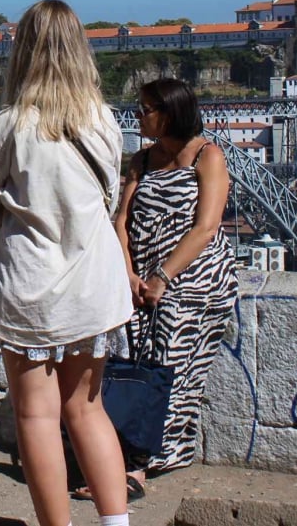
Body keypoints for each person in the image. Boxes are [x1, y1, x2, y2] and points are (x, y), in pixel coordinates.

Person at [0, 0, 134, 526]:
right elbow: (108, 201)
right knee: (88, 409)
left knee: (36, 415)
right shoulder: (104, 120)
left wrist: (17, 230)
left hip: (30, 284)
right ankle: (115, 522)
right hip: (92, 284)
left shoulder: (9, 126)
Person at [112, 78, 236, 497]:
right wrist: (130, 274)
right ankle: (138, 455)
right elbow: (121, 221)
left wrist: (163, 278)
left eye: (146, 109)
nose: (138, 116)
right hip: (141, 284)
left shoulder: (208, 156)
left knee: (170, 369)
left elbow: (206, 227)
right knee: (135, 366)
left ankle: (136, 469)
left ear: (170, 112)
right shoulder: (142, 159)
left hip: (193, 284)